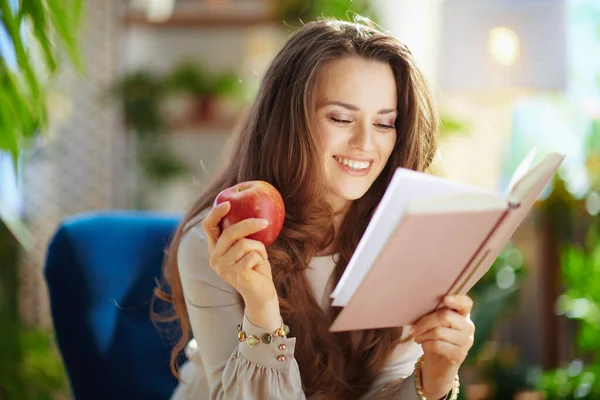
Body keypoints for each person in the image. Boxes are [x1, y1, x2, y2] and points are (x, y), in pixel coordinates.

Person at [156, 17, 475, 400]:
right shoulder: (223, 242)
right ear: (288, 123)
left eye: (385, 124)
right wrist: (261, 308)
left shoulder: (403, 236)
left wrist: (436, 377)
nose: (365, 144)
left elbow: (385, 390)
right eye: (341, 118)